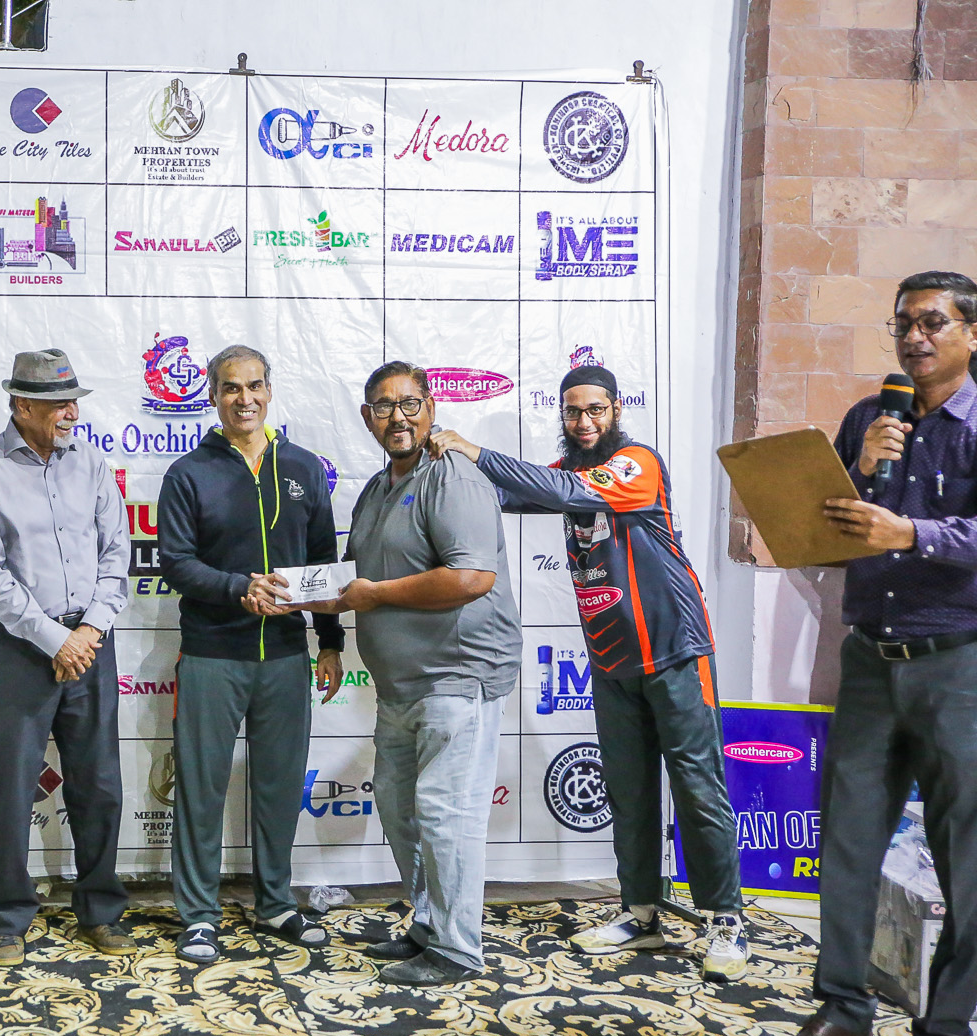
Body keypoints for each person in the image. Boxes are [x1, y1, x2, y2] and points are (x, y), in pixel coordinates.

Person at [436, 359, 747, 983]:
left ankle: (725, 920)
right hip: (611, 658)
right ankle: (641, 912)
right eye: (573, 412)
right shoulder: (569, 472)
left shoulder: (636, 463)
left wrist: (476, 450)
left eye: (595, 410)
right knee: (628, 791)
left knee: (697, 787)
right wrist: (444, 467)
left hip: (675, 650)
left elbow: (562, 493)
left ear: (616, 411)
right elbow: (514, 492)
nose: (583, 422)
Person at [764, 271, 977, 1036]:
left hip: (957, 665)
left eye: (933, 322)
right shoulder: (870, 417)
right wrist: (855, 470)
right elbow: (823, 531)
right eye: (903, 324)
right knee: (848, 846)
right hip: (869, 663)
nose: (914, 338)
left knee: (967, 863)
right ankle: (844, 1012)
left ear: (972, 334)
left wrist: (911, 534)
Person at [307, 361, 519, 986]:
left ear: (430, 408)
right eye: (383, 406)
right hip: (398, 686)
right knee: (402, 812)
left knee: (447, 815)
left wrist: (375, 595)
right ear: (366, 417)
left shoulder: (453, 477)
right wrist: (299, 596)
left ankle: (457, 950)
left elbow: (471, 577)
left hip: (458, 675)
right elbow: (352, 580)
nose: (397, 417)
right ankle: (428, 927)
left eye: (409, 403)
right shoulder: (377, 488)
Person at [157, 344, 345, 965]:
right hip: (213, 653)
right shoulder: (189, 473)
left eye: (255, 385)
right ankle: (198, 916)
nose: (245, 399)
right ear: (213, 395)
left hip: (287, 655)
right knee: (201, 790)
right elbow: (176, 564)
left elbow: (323, 563)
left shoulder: (303, 467)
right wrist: (240, 587)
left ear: (270, 390)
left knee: (279, 787)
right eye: (232, 388)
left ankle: (276, 903)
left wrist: (330, 642)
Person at [0, 349, 134, 966]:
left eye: (73, 401)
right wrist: (56, 640)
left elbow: (116, 555)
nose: (71, 413)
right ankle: (9, 917)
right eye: (58, 404)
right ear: (21, 406)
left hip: (92, 642)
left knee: (100, 785)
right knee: (11, 790)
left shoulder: (93, 464)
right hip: (16, 648)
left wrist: (89, 630)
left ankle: (101, 909)